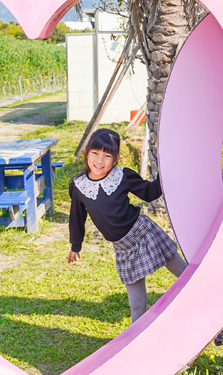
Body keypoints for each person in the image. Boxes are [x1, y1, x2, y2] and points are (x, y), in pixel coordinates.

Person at [66, 128, 189, 323]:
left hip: (144, 233)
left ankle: (211, 305)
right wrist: (75, 246)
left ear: (116, 159)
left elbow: (148, 193)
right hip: (123, 249)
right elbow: (76, 217)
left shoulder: (122, 175)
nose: (100, 160)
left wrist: (165, 169)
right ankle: (138, 339)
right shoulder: (79, 185)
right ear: (86, 152)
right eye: (95, 153)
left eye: (107, 156)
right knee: (137, 303)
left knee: (184, 274)